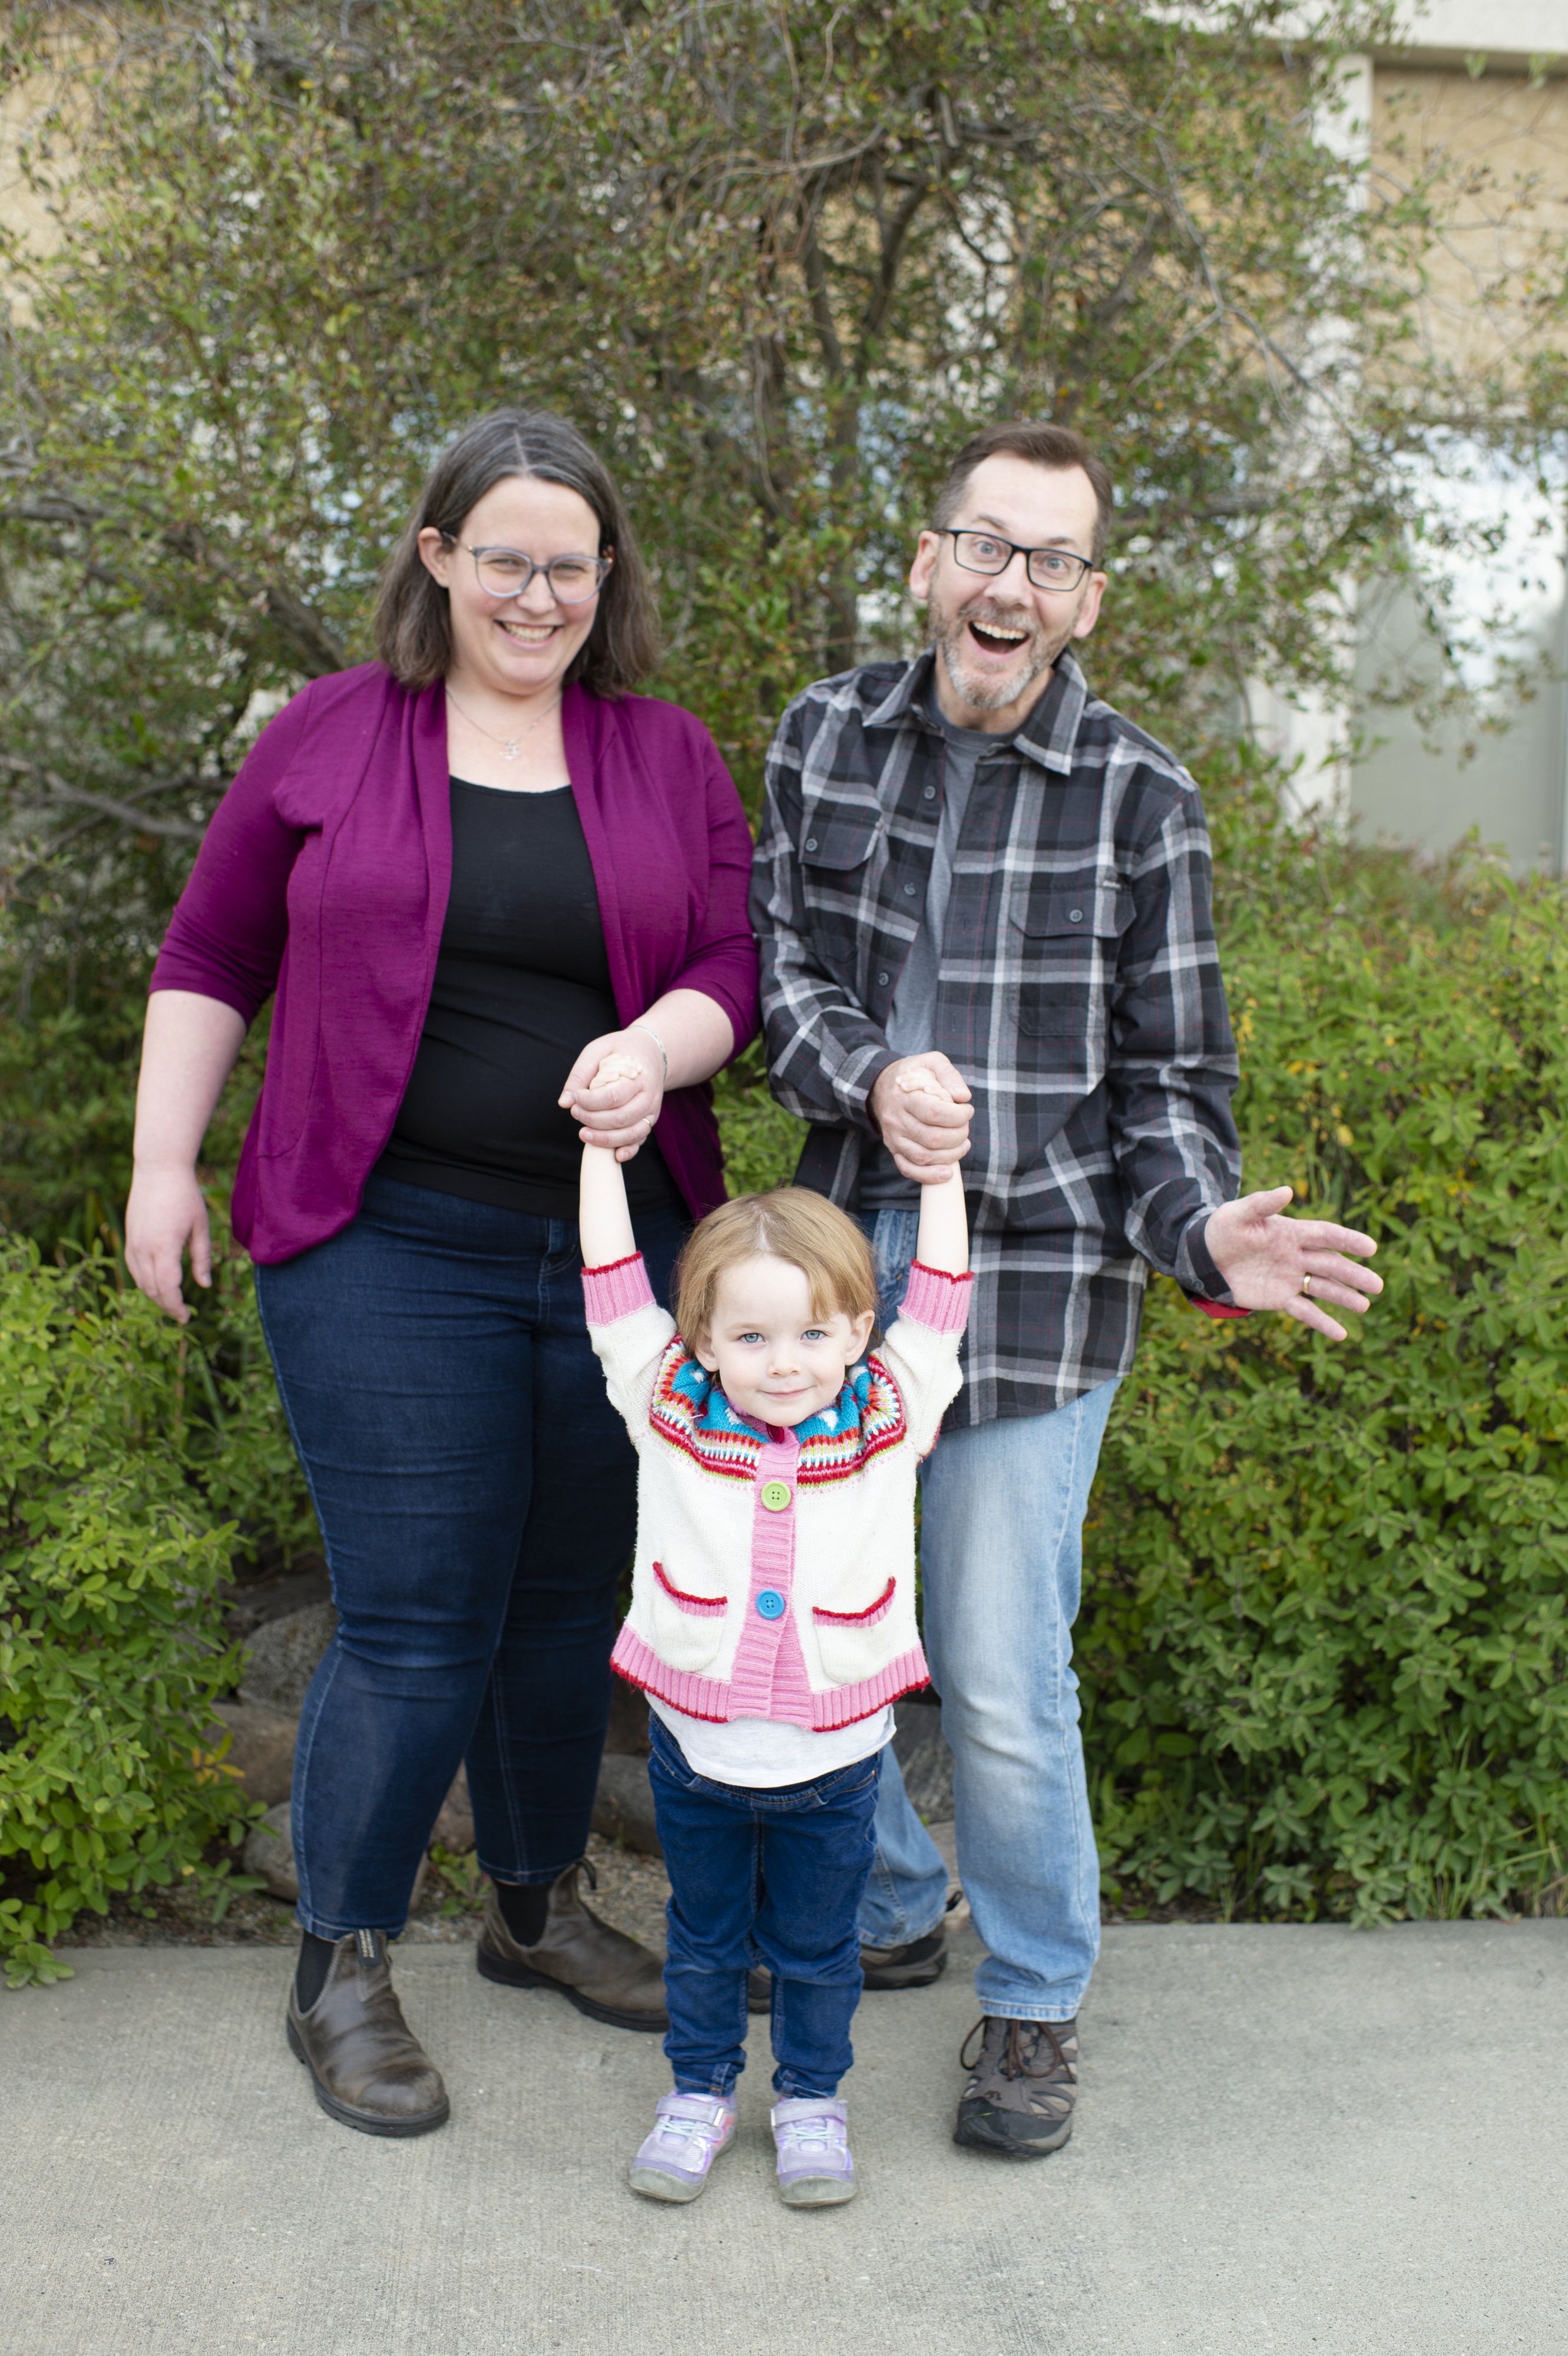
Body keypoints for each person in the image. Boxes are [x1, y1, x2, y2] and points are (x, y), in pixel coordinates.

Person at [750, 418, 1382, 2159]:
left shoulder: (1141, 798)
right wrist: (870, 1075)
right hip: (838, 1273)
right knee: (802, 1626)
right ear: (924, 566)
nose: (1007, 584)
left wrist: (1203, 1240)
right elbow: (774, 969)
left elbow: (1171, 1086)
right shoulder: (819, 736)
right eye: (982, 544)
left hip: (1036, 1291)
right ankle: (886, 1905)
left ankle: (1025, 2003)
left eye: (1047, 559)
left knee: (998, 1671)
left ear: (1083, 597)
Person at [125, 409, 758, 2137]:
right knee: (413, 1620)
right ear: (435, 559)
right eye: (505, 560)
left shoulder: (662, 754)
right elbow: (211, 951)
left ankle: (536, 1912)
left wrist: (658, 1045)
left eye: (570, 564)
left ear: (604, 576)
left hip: (614, 1263)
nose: (537, 594)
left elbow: (726, 962)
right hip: (379, 1243)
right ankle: (339, 1965)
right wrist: (160, 1164)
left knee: (563, 1614)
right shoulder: (333, 733)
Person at [573, 1055, 971, 2205]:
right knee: (700, 1942)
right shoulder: (664, 1405)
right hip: (695, 1751)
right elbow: (610, 1284)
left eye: (808, 1333)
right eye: (748, 1338)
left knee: (812, 1950)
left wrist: (935, 1172)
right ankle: (696, 2091)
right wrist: (603, 1158)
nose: (781, 1362)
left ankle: (809, 2100)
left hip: (836, 1762)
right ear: (699, 1339)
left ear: (856, 1328)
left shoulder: (891, 1412)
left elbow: (939, 1292)